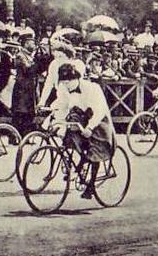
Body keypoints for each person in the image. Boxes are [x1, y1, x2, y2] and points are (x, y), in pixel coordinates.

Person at [47, 63, 116, 200]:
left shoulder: (92, 88)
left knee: (95, 149)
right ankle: (81, 158)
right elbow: (62, 105)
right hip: (80, 117)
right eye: (63, 82)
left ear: (76, 78)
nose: (66, 85)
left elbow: (100, 111)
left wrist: (90, 128)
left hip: (98, 120)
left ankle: (91, 186)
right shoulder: (64, 88)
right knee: (70, 134)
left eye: (68, 82)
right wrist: (56, 120)